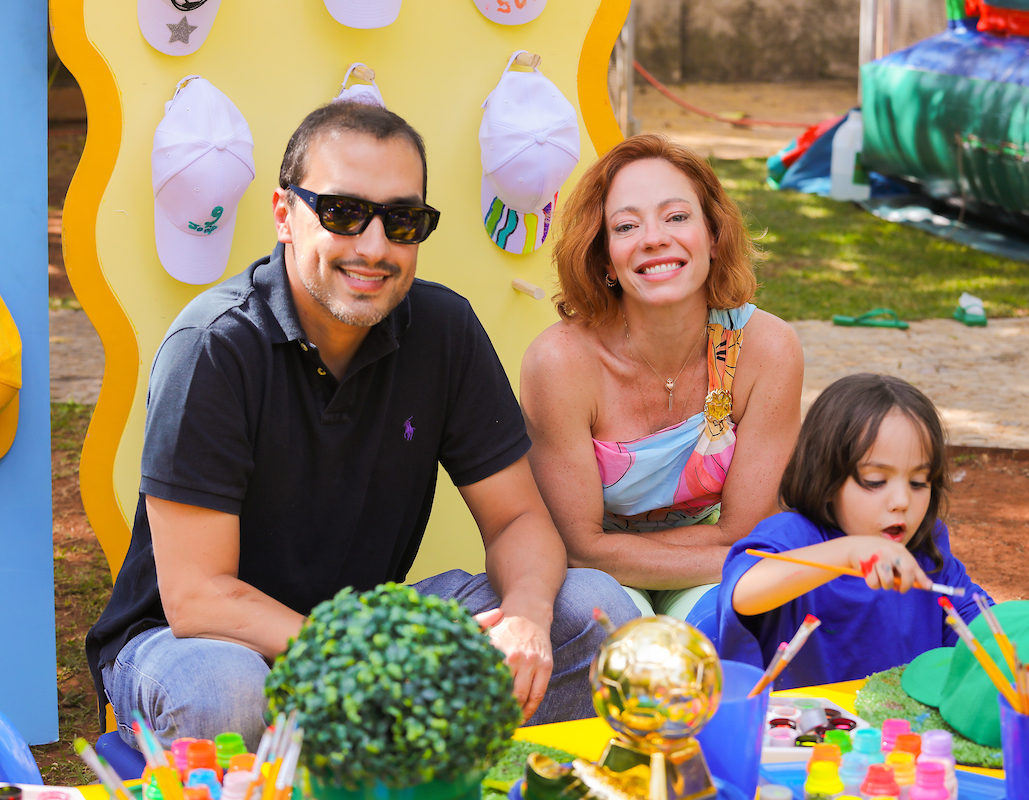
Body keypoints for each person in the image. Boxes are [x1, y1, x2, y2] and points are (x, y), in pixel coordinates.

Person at [84, 102, 640, 749]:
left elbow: (519, 519)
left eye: (402, 220)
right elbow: (198, 596)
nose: (374, 248)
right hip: (205, 643)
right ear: (284, 215)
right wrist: (366, 658)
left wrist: (524, 620)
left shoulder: (444, 330)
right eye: (343, 213)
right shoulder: (212, 346)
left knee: (596, 612)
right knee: (225, 692)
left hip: (367, 625)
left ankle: (484, 784)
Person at [521, 133, 806, 619]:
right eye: (627, 226)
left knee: (728, 617)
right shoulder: (559, 363)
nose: (654, 238)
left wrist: (737, 556)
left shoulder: (767, 350)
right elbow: (581, 549)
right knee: (604, 621)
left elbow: (744, 531)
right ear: (605, 256)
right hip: (597, 575)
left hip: (711, 564)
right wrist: (736, 557)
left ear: (713, 237)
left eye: (676, 217)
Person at [717, 373, 991, 687]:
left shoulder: (927, 550)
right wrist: (849, 553)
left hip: (903, 733)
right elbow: (742, 594)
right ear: (827, 478)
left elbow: (983, 627)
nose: (902, 501)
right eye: (875, 481)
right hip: (803, 732)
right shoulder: (794, 536)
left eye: (918, 482)